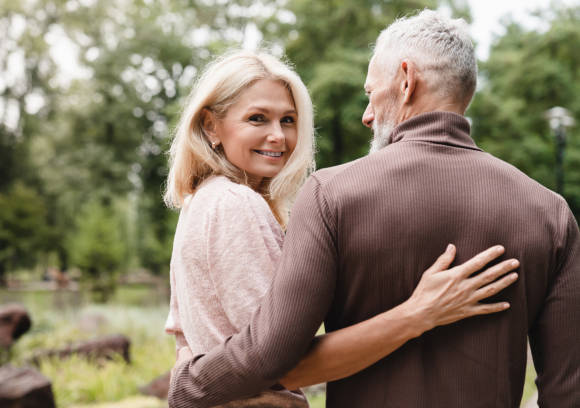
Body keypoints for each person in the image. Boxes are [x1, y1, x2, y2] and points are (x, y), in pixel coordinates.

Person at [168, 11, 580, 408]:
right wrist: (416, 314)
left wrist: (190, 384)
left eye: (370, 93)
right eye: (259, 118)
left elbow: (272, 356)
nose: (366, 116)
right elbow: (567, 391)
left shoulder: (331, 194)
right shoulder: (551, 213)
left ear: (406, 80)